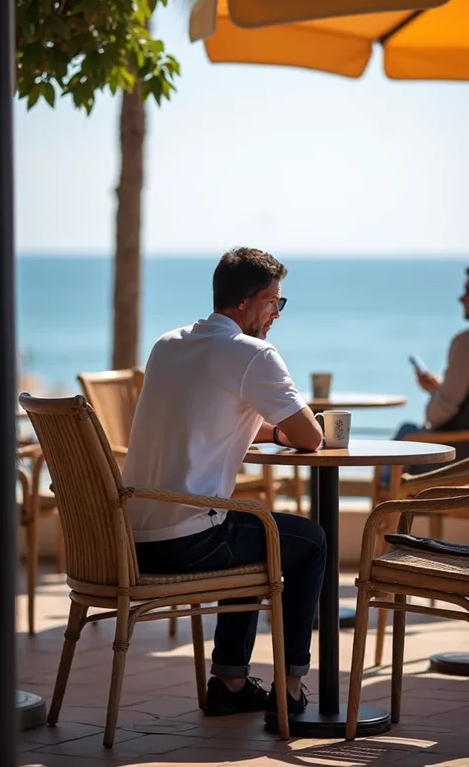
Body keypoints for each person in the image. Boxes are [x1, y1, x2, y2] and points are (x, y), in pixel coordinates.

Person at [123, 247, 326, 722]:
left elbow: (204, 417)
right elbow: (311, 438)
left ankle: (231, 682)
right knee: (310, 541)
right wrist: (287, 430)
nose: (277, 313)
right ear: (246, 303)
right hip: (187, 542)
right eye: (274, 302)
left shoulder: (168, 344)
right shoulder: (251, 353)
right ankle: (292, 688)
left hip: (129, 537)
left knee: (248, 526)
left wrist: (271, 430)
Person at [389, 267, 469, 475]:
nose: (461, 298)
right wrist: (439, 389)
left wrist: (436, 394)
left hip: (457, 460)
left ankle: (388, 500)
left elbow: (438, 415)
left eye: (467, 291)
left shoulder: (465, 344)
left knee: (406, 434)